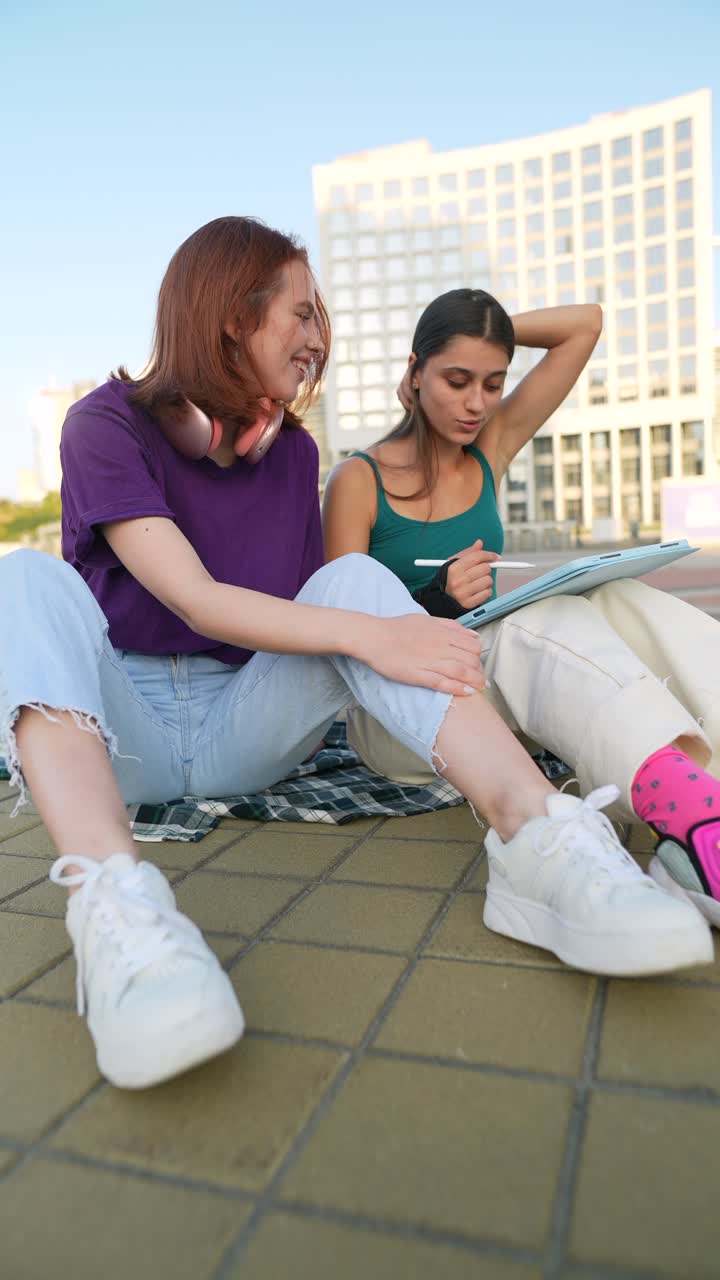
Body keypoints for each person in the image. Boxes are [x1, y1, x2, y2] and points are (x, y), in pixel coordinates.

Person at [0, 227, 712, 1095]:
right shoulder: (103, 425)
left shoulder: (294, 454)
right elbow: (191, 596)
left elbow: (334, 607)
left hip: (245, 723)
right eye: (303, 312)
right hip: (128, 738)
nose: (319, 336)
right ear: (231, 318)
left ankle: (539, 838)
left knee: (354, 576)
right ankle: (119, 914)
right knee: (23, 579)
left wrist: (399, 617)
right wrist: (374, 633)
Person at [323, 287, 720, 938]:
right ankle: (696, 823)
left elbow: (585, 325)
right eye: (456, 379)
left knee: (620, 599)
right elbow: (341, 637)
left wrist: (487, 333)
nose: (477, 402)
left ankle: (703, 799)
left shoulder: (490, 446)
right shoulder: (357, 482)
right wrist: (438, 603)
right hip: (402, 715)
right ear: (414, 374)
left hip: (493, 693)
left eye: (492, 380)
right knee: (532, 625)